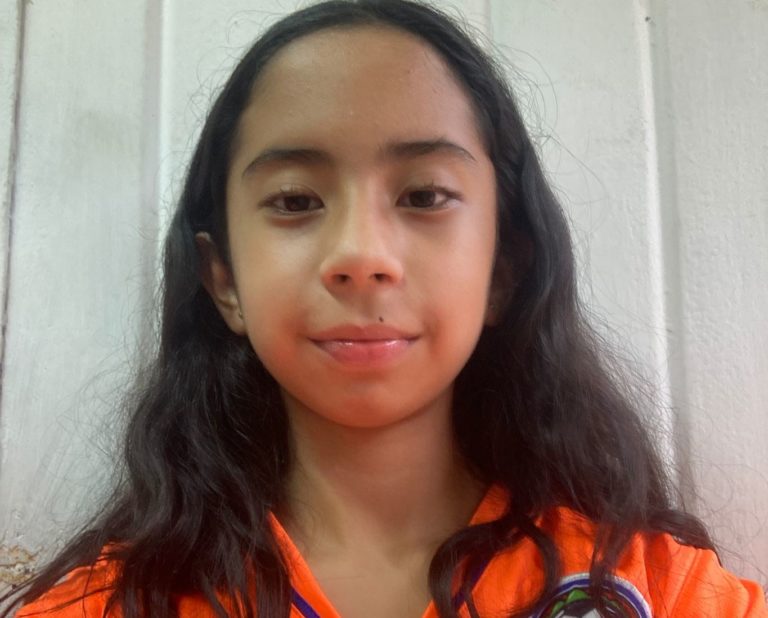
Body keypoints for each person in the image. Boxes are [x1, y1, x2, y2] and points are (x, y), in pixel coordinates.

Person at [4, 1, 766, 616]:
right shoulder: (102, 607)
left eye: (425, 195)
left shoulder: (659, 591)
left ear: (503, 269)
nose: (362, 254)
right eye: (295, 201)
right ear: (224, 278)